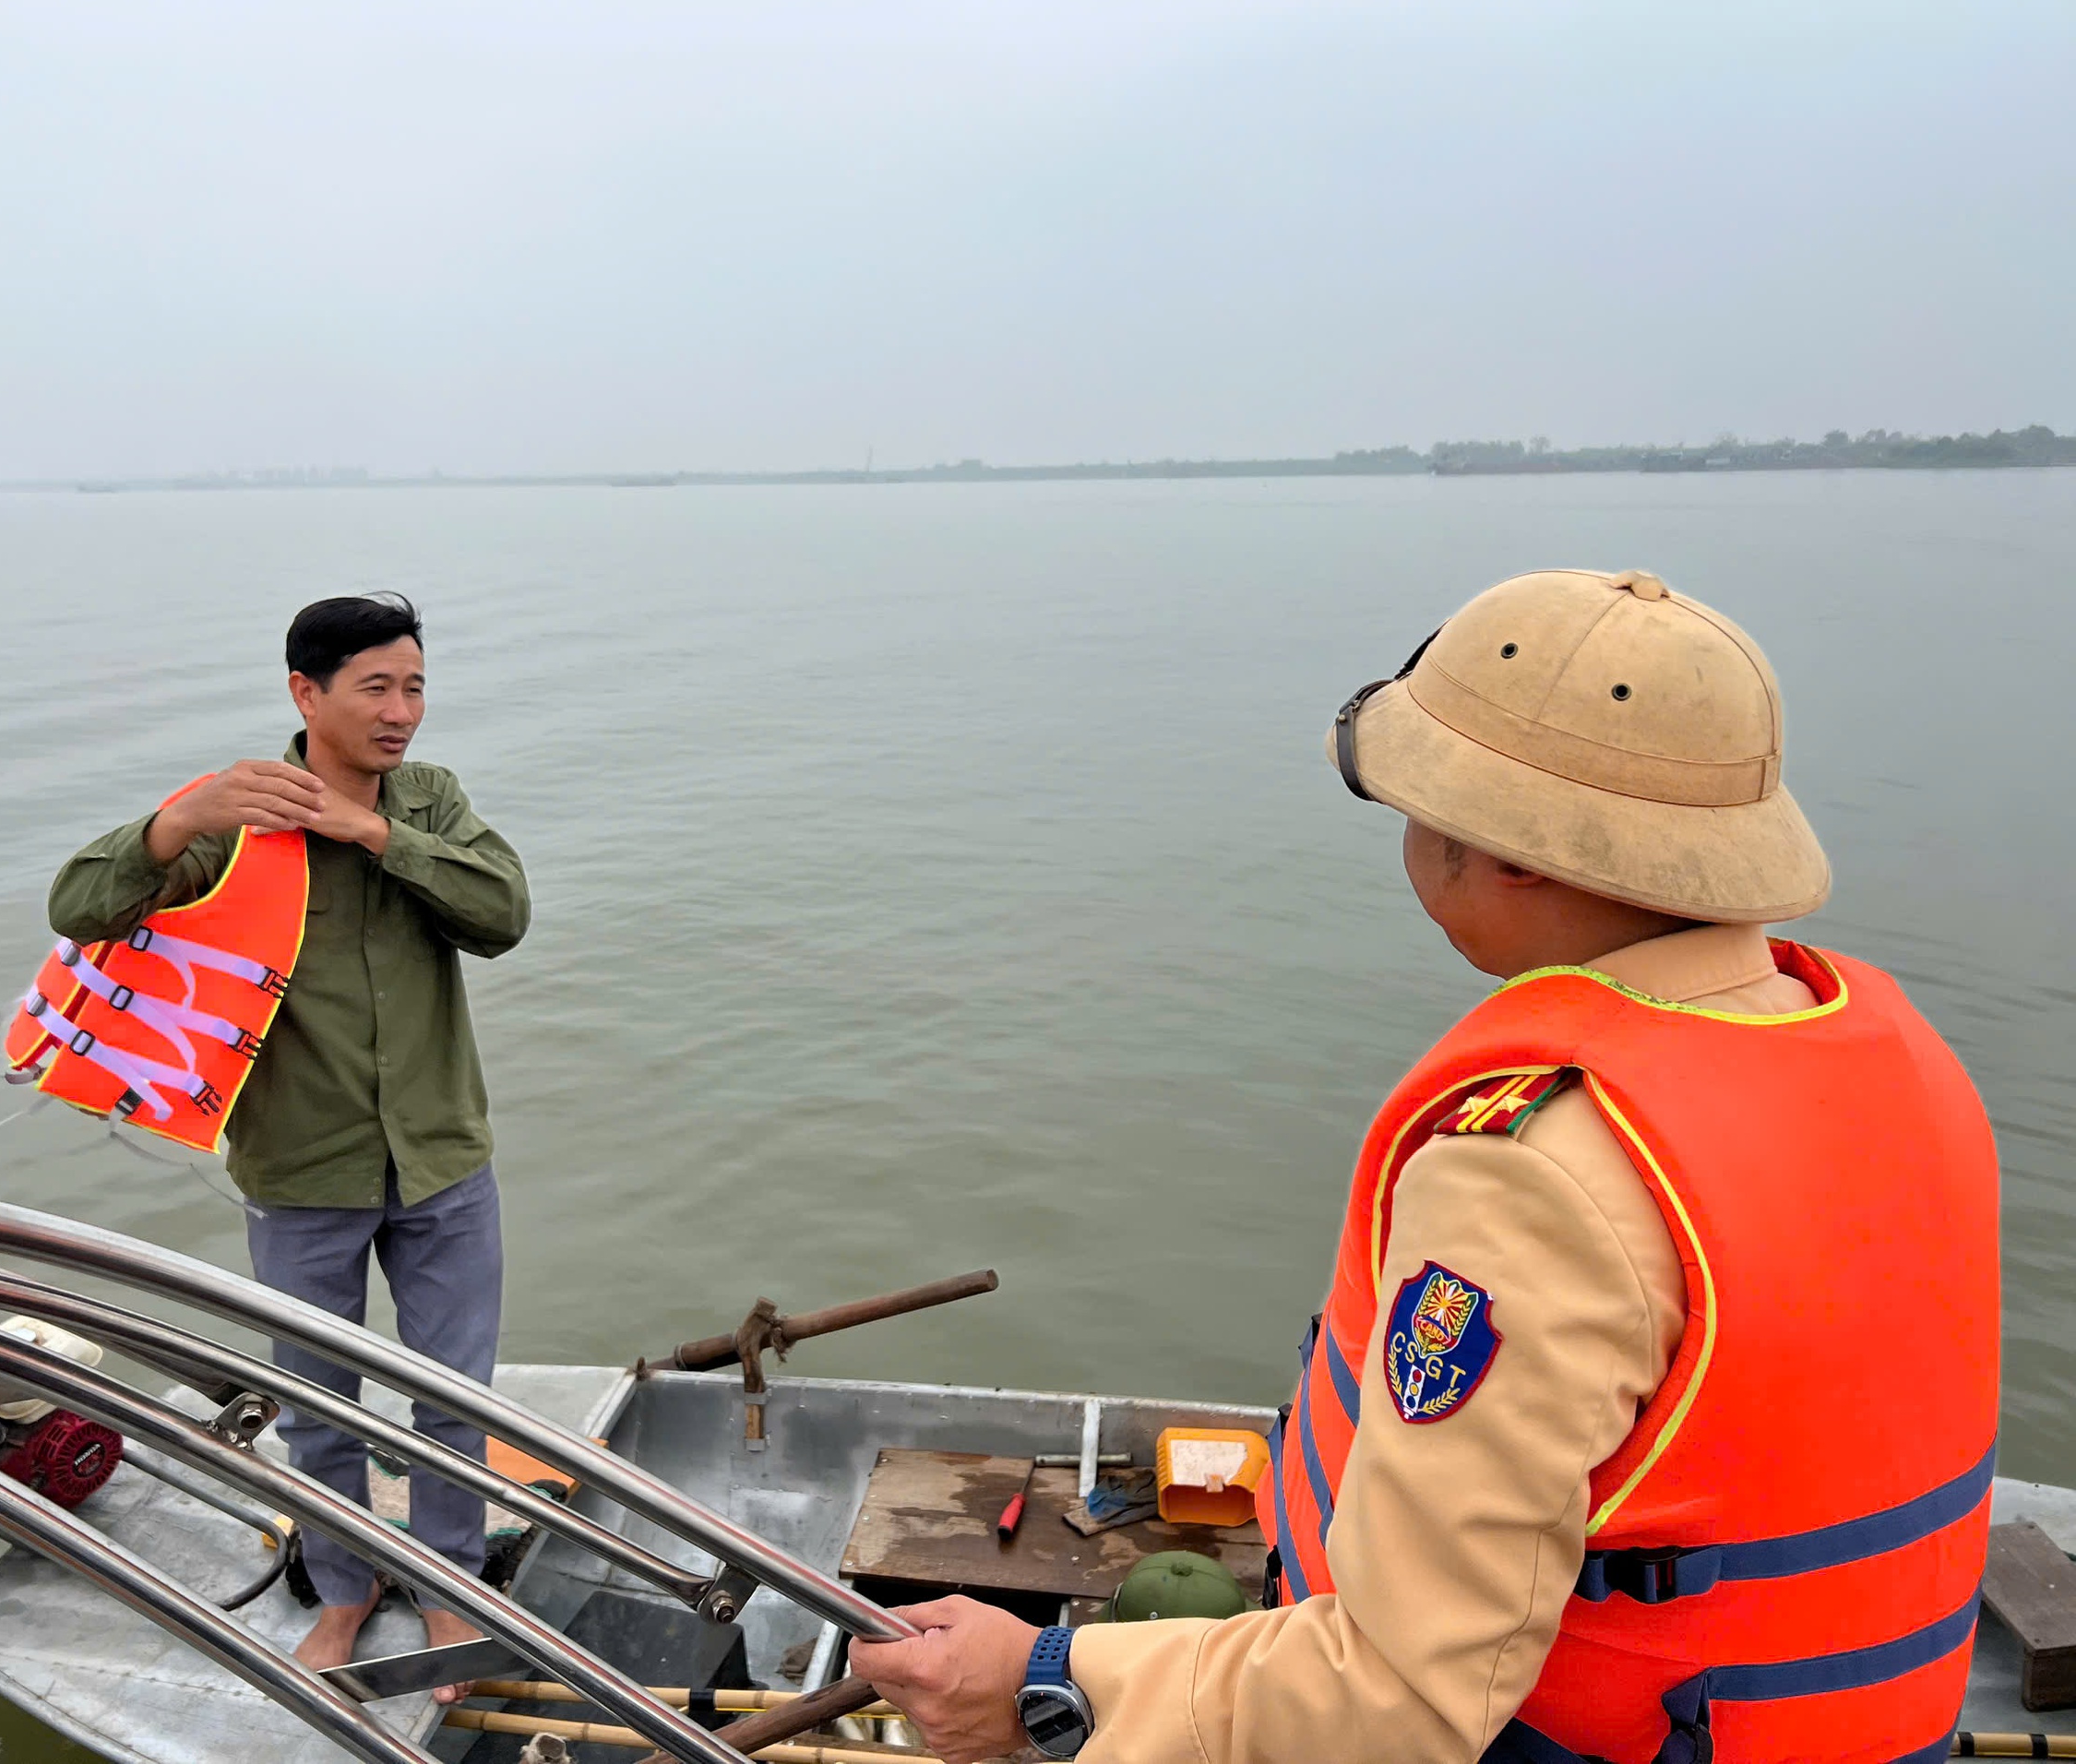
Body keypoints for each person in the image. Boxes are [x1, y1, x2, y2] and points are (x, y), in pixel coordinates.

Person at [852, 568, 1999, 1763]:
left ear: (1513, 859)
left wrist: (1044, 1682)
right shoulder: (1886, 1054)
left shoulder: (1536, 1176)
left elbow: (1403, 1700)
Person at [46, 592, 531, 1698]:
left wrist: (378, 834)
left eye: (414, 686)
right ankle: (345, 1590)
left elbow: (502, 914)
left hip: (444, 1158)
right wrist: (171, 829)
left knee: (456, 1393)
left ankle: (447, 1581)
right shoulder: (234, 816)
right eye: (376, 687)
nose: (401, 710)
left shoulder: (431, 800)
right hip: (301, 1169)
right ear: (304, 693)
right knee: (318, 1399)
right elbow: (78, 906)